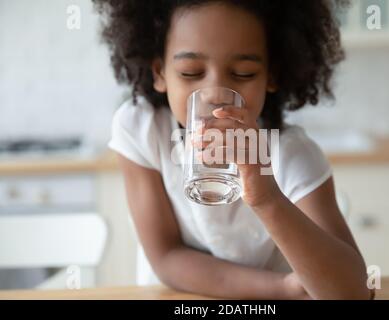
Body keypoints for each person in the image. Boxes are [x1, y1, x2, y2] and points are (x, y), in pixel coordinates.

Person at [94, 0, 373, 299]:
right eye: (190, 72)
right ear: (160, 72)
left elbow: (353, 293)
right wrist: (279, 287)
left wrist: (266, 197)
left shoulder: (290, 155)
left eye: (242, 73)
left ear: (272, 75)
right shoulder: (142, 130)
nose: (215, 94)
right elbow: (166, 256)